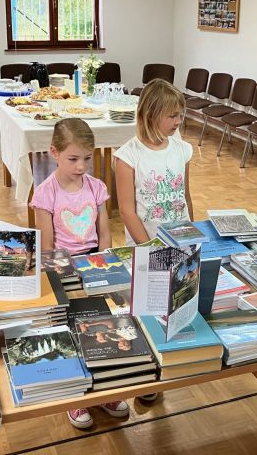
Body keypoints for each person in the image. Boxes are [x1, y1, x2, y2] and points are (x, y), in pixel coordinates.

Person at [29, 118, 128, 430]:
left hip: (95, 266)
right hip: (64, 270)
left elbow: (105, 233)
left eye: (87, 158)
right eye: (73, 159)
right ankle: (76, 395)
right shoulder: (46, 193)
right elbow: (47, 247)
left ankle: (105, 389)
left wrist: (104, 267)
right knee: (71, 331)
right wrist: (64, 278)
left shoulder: (96, 187)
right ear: (54, 152)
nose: (81, 166)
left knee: (103, 328)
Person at [114, 78, 194, 244]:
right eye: (172, 116)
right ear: (150, 115)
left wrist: (191, 238)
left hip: (179, 241)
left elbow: (185, 197)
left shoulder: (183, 150)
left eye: (181, 115)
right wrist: (150, 247)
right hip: (145, 243)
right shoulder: (127, 157)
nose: (178, 121)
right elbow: (127, 212)